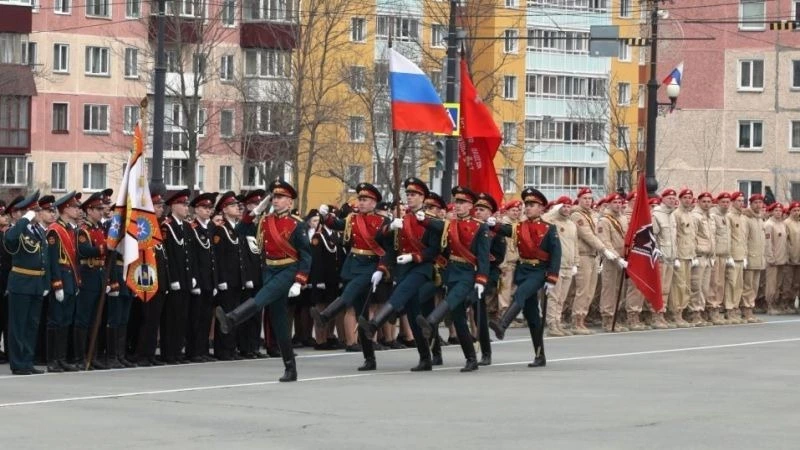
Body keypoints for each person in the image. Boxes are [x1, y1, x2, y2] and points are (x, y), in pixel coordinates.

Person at [215, 179, 311, 382]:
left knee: (262, 297)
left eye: (281, 197)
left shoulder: (297, 225)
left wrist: (299, 281)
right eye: (274, 197)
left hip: (288, 269)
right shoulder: (265, 221)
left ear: (290, 202)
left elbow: (306, 255)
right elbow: (240, 231)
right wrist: (253, 213)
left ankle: (232, 318)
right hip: (269, 270)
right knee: (279, 323)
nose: (276, 200)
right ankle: (290, 369)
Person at [358, 177, 442, 371]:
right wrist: (390, 227)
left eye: (414, 194)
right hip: (403, 268)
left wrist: (414, 257)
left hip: (421, 268)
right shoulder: (401, 219)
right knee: (413, 316)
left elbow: (434, 250)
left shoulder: (431, 221)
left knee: (400, 294)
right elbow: (382, 241)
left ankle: (374, 324)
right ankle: (425, 358)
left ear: (423, 197)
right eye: (408, 194)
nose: (410, 197)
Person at [311, 183, 390, 371]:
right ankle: (369, 358)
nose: (361, 203)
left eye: (365, 200)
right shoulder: (352, 218)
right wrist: (326, 216)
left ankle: (325, 316)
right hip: (353, 265)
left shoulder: (381, 222)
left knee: (349, 292)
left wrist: (381, 268)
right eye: (360, 199)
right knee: (361, 315)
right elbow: (336, 225)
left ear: (373, 202)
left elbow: (387, 250)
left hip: (370, 266)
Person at [415, 186, 490, 373]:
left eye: (462, 202)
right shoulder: (449, 224)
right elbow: (432, 224)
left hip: (468, 273)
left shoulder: (480, 227)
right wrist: (420, 217)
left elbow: (483, 256)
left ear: (471, 205)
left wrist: (481, 279)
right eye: (456, 201)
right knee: (458, 318)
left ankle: (431, 321)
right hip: (453, 272)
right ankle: (471, 358)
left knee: (454, 299)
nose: (458, 205)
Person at [488, 187, 561, 368]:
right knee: (532, 316)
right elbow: (504, 229)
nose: (527, 208)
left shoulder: (549, 229)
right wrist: (492, 224)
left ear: (541, 208)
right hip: (524, 271)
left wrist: (552, 278)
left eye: (532, 205)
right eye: (526, 205)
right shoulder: (519, 227)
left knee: (519, 294)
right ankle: (540, 355)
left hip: (539, 272)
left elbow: (556, 254)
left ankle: (502, 325)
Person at [5, 191, 48, 375]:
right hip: (21, 283)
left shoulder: (38, 231)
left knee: (32, 324)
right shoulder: (15, 230)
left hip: (37, 283)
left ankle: (28, 360)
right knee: (18, 325)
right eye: (35, 211)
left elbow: (44, 257)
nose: (38, 214)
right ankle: (17, 363)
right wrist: (24, 220)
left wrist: (45, 282)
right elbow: (10, 241)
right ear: (26, 213)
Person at [44, 191, 82, 372]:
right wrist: (57, 283)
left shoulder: (70, 229)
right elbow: (52, 260)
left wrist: (76, 281)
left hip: (71, 278)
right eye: (75, 207)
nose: (78, 210)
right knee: (56, 320)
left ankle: (61, 358)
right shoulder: (55, 230)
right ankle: (52, 360)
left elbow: (75, 258)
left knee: (66, 320)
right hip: (60, 278)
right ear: (65, 209)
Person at [160, 189, 197, 364]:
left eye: (187, 204)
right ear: (173, 206)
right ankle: (169, 352)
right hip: (174, 279)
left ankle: (177, 351)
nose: (186, 208)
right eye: (183, 204)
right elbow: (169, 255)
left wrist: (192, 276)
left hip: (186, 278)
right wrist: (173, 278)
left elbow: (190, 254)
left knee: (182, 316)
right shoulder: (167, 226)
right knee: (172, 317)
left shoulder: (187, 227)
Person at [134, 190, 169, 366]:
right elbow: (141, 256)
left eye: (161, 206)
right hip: (146, 280)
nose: (161, 209)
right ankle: (142, 354)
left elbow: (162, 257)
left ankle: (149, 353)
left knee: (155, 319)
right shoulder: (143, 227)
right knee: (146, 319)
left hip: (159, 280)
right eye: (157, 206)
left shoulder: (157, 226)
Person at [470, 192, 505, 365]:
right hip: (469, 273)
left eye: (482, 210)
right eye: (476, 209)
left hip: (488, 274)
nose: (478, 212)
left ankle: (486, 352)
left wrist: (481, 257)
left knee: (479, 312)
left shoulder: (495, 232)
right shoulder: (471, 227)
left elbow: (499, 256)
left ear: (490, 213)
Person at [212, 191, 246, 360]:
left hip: (237, 279)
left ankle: (231, 348)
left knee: (235, 314)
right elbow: (219, 257)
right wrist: (222, 280)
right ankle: (223, 349)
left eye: (237, 205)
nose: (237, 208)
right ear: (224, 210)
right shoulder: (220, 229)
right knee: (225, 314)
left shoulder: (236, 228)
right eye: (233, 206)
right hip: (227, 281)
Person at [186, 192, 218, 362]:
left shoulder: (210, 227)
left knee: (206, 317)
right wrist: (194, 279)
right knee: (196, 318)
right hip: (199, 278)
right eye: (204, 208)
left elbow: (213, 256)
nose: (208, 211)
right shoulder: (193, 228)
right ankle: (194, 351)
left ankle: (204, 350)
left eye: (209, 208)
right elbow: (192, 256)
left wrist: (215, 280)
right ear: (196, 209)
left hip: (209, 279)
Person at [542, 196, 579, 336]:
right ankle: (551, 324)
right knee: (554, 296)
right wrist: (554, 210)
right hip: (556, 265)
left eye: (569, 206)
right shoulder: (552, 222)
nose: (566, 209)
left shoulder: (571, 224)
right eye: (564, 206)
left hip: (568, 266)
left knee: (562, 297)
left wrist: (576, 263)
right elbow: (543, 219)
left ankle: (558, 322)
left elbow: (575, 245)